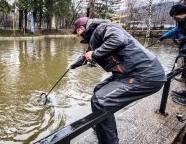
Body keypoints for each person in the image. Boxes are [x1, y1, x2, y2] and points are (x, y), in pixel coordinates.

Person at [70, 16, 166, 144]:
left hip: (146, 74)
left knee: (101, 100)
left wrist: (94, 54)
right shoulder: (95, 37)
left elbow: (117, 39)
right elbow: (86, 56)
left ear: (81, 28)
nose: (78, 36)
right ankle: (101, 128)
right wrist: (72, 66)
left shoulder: (103, 27)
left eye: (76, 32)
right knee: (98, 91)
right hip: (128, 73)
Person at [159, 4, 186, 106]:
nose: (174, 19)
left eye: (175, 17)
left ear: (181, 14)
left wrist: (183, 39)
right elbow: (175, 30)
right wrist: (164, 36)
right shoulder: (181, 22)